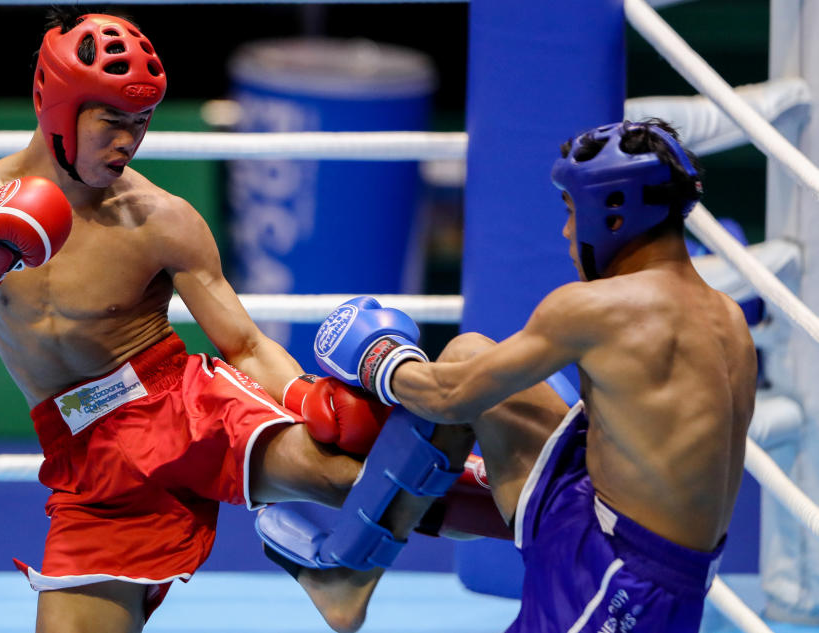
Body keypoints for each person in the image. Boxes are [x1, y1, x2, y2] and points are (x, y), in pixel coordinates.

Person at [0, 9, 395, 632]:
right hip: (85, 450)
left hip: (178, 403)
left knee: (349, 475)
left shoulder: (160, 217)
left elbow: (243, 343)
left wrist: (300, 395)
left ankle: (512, 489)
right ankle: (331, 570)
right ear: (57, 108)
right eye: (112, 122)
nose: (128, 142)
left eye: (142, 122)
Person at [266, 119, 758, 633]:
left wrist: (378, 359)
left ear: (613, 215)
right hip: (614, 521)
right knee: (469, 354)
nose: (568, 231)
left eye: (572, 212)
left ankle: (353, 565)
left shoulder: (600, 308)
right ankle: (350, 578)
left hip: (619, 584)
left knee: (450, 389)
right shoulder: (728, 319)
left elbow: (446, 398)